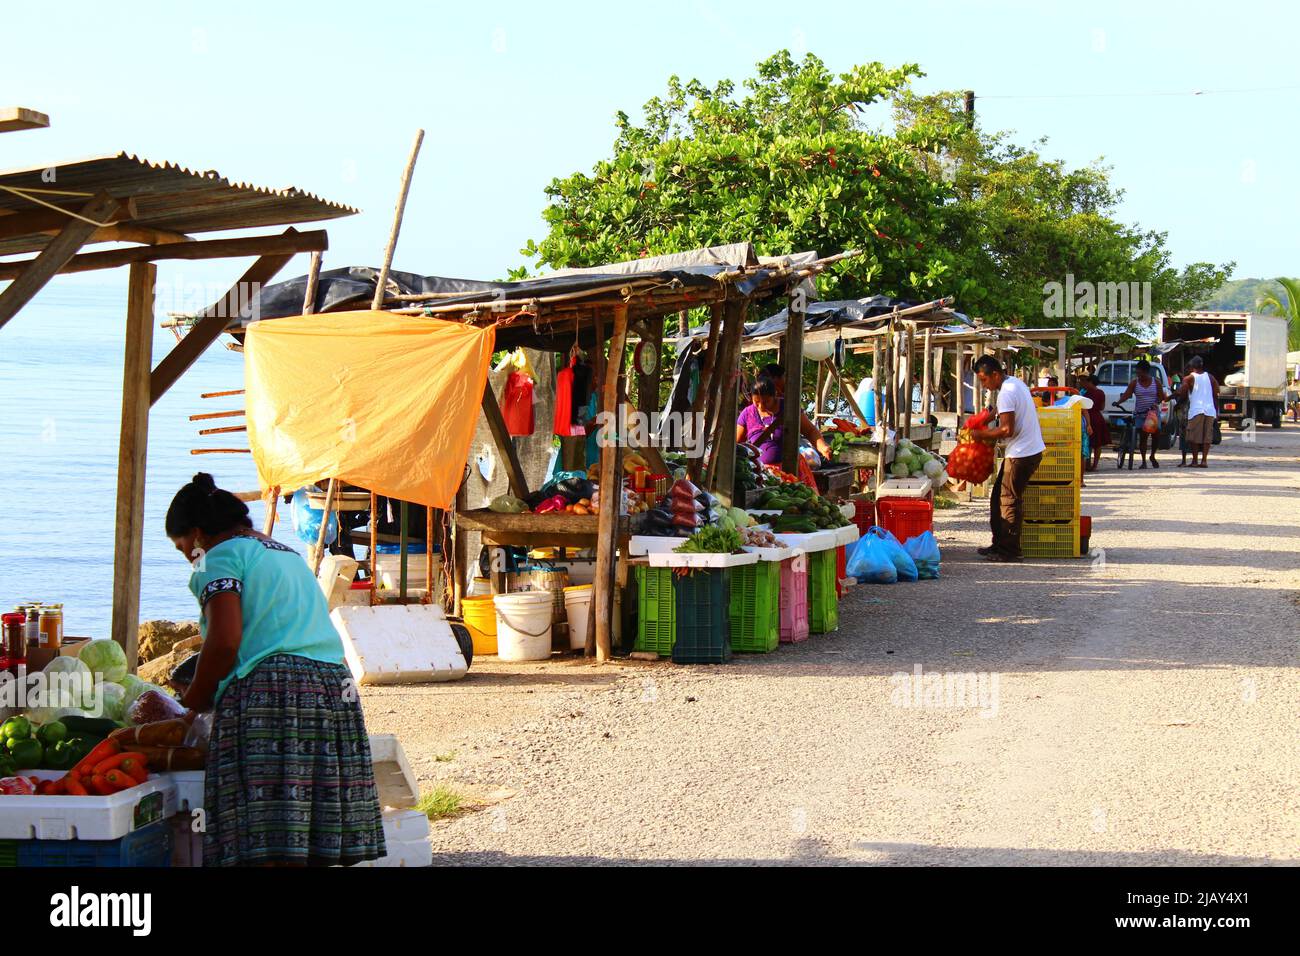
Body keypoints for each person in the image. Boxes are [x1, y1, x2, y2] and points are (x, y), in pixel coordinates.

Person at [166, 473, 386, 867]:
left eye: (184, 548)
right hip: (332, 690)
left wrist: (193, 702)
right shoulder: (286, 554)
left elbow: (225, 641)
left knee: (265, 838)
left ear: (197, 534)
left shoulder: (216, 558)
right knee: (309, 835)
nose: (189, 558)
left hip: (273, 694)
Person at [968, 356, 1046, 562]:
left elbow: (1006, 430)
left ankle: (1010, 551)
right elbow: (1002, 413)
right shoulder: (1014, 383)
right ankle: (999, 544)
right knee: (997, 497)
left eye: (984, 380)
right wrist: (986, 418)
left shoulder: (1007, 392)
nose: (983, 385)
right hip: (1027, 450)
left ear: (995, 374)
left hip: (1022, 453)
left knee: (1008, 500)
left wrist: (981, 434)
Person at [756, 363, 834, 462]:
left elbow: (809, 431)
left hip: (787, 466)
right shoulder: (749, 411)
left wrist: (823, 448)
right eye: (784, 377)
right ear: (775, 379)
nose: (786, 381)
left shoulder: (789, 406)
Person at [1117, 359, 1169, 469]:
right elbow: (1127, 394)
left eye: (1140, 372)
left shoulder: (1156, 382)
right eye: (1137, 373)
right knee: (1143, 437)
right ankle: (1144, 461)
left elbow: (1161, 397)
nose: (1138, 375)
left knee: (1156, 434)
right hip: (1140, 414)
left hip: (1153, 414)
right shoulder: (1134, 383)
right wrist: (1118, 402)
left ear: (1146, 371)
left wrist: (1156, 403)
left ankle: (1152, 455)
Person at [1174, 356, 1218, 468]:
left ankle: (1194, 461)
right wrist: (1216, 411)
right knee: (1207, 437)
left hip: (1196, 410)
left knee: (1194, 437)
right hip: (1210, 410)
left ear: (1192, 366)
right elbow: (1216, 394)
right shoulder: (1211, 377)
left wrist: (1177, 405)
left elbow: (1183, 395)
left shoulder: (1188, 378)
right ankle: (1204, 461)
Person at [1078, 374, 1111, 472]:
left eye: (1087, 382)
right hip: (1098, 418)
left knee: (1088, 442)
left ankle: (1088, 464)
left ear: (1091, 382)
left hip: (1088, 418)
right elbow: (1102, 407)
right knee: (1097, 444)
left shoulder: (1085, 393)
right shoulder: (1100, 393)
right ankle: (1094, 465)